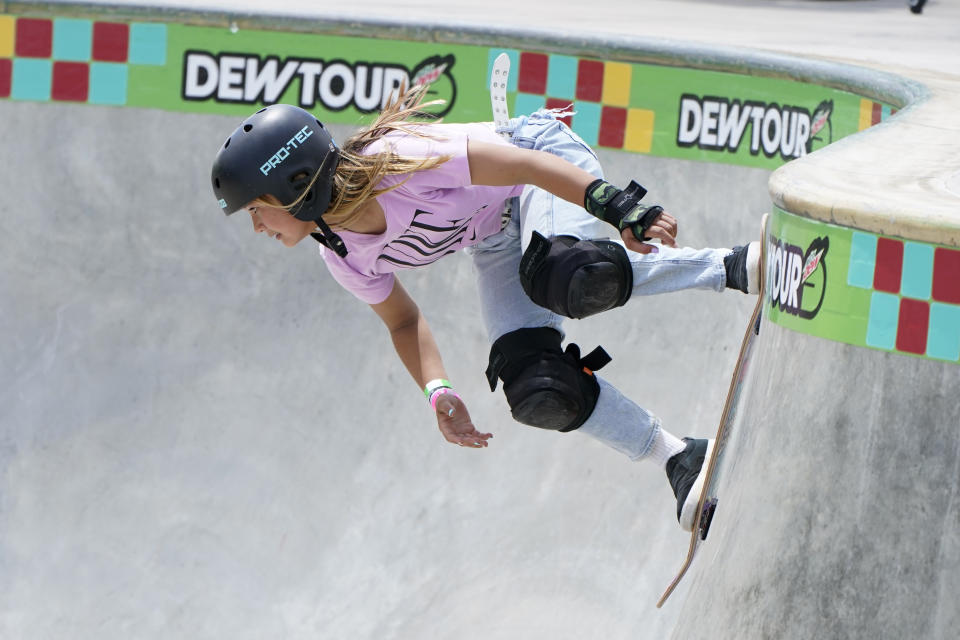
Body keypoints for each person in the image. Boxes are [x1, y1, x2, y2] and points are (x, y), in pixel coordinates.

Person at [210, 85, 760, 532]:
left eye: (258, 211)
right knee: (535, 383)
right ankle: (678, 456)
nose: (258, 228)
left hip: (539, 161)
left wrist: (618, 206)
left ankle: (734, 266)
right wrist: (438, 390)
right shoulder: (343, 255)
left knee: (564, 275)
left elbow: (527, 165)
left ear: (295, 186)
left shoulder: (398, 161)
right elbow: (403, 320)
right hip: (494, 240)